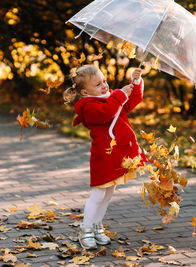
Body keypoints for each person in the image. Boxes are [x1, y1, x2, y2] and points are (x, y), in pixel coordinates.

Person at [63, 65, 147, 250]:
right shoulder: (87, 106)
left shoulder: (111, 98)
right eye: (98, 84)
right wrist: (119, 95)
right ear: (85, 92)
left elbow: (131, 102)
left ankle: (96, 226)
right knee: (99, 193)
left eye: (105, 81)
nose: (104, 86)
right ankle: (85, 230)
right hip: (104, 156)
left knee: (109, 193)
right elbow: (104, 114)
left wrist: (135, 82)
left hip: (117, 153)